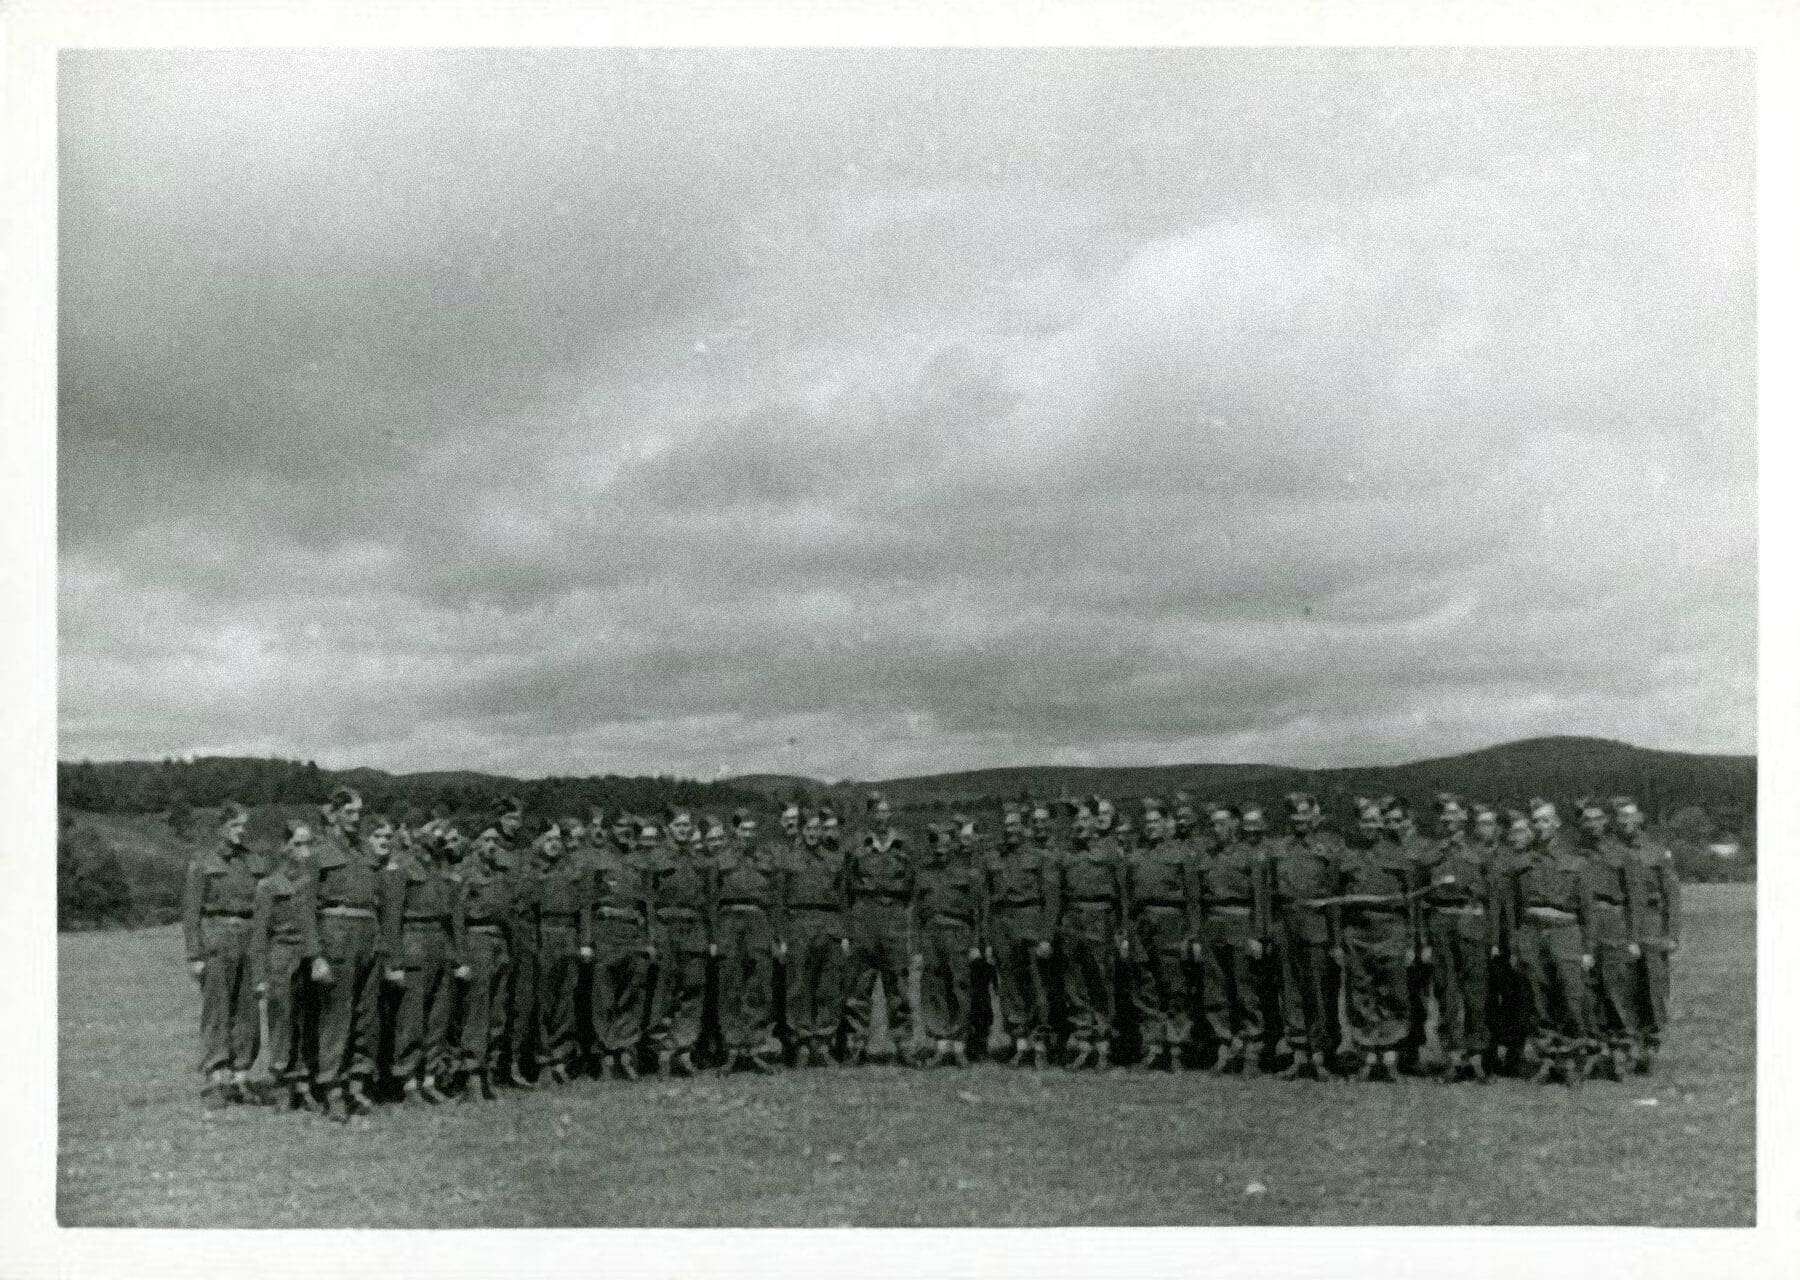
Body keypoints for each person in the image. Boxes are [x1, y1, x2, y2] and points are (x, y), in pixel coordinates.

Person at [181, 802, 266, 1106]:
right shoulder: (203, 863)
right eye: (235, 826)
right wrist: (194, 955)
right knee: (217, 1010)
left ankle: (241, 1076)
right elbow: (191, 914)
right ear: (221, 827)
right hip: (216, 939)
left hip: (249, 938)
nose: (241, 831)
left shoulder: (254, 864)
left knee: (247, 1011)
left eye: (244, 825)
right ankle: (216, 1077)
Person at [1506, 799, 1595, 1086]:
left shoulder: (1575, 862)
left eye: (1545, 821)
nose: (1540, 827)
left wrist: (1588, 949)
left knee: (1570, 996)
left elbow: (1587, 911)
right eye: (1535, 822)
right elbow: (1514, 909)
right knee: (1538, 996)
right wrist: (1517, 944)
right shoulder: (1523, 864)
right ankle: (1547, 1059)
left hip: (1565, 932)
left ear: (1556, 824)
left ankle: (1570, 1060)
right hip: (1532, 933)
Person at [310, 789, 385, 1120]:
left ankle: (357, 1082)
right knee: (336, 1015)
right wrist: (316, 955)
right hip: (336, 933)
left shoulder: (366, 852)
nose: (357, 818)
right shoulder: (318, 852)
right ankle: (332, 1088)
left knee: (366, 1014)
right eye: (351, 812)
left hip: (368, 934)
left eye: (360, 812)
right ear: (334, 814)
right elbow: (305, 906)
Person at [1415, 794, 1501, 1081]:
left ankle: (1476, 1056)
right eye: (1443, 815)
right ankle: (1453, 1056)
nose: (1448, 819)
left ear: (1465, 816)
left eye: (1453, 813)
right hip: (1440, 925)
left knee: (1477, 994)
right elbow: (1421, 899)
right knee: (1446, 993)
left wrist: (1493, 938)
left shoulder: (1481, 851)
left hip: (1472, 923)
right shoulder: (1430, 853)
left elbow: (1494, 899)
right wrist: (1425, 941)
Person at [381, 819, 466, 1105]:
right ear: (420, 837)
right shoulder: (401, 868)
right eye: (435, 836)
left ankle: (430, 1078)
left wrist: (457, 957)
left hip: (440, 945)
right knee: (411, 1019)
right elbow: (392, 918)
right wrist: (393, 962)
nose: (439, 842)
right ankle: (407, 1082)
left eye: (443, 839)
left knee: (438, 1018)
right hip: (412, 941)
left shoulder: (443, 870)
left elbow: (452, 919)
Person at [1335, 797, 1416, 1082]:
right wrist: (1338, 940)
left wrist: (1411, 942)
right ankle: (1368, 1056)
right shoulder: (1347, 856)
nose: (1370, 826)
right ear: (1358, 823)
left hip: (1391, 930)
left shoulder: (1398, 854)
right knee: (1361, 993)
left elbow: (1411, 904)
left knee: (1392, 993)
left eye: (1374, 820)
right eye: (1365, 821)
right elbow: (1338, 902)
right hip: (1357, 934)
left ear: (1382, 823)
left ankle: (1390, 1057)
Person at [1266, 792, 1342, 1080]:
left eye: (1305, 815)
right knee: (1290, 990)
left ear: (1314, 817)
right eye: (1295, 816)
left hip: (1316, 925)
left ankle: (1320, 1053)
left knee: (1318, 991)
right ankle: (1298, 1053)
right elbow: (1269, 894)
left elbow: (1334, 897)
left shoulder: (1327, 850)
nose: (1300, 821)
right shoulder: (1279, 850)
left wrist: (1335, 941)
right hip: (1286, 925)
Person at [1196, 801, 1271, 1075]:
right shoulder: (1206, 856)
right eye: (1213, 824)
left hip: (1242, 925)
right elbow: (1198, 899)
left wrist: (1258, 935)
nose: (1217, 829)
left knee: (1245, 989)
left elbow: (1261, 899)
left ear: (1235, 825)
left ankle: (1252, 1048)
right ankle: (1224, 1046)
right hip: (1213, 926)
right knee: (1216, 989)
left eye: (1222, 823)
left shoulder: (1251, 856)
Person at [250, 819, 320, 1111]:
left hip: (309, 956)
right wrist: (259, 978)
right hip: (281, 956)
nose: (304, 851)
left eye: (309, 844)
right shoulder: (269, 886)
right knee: (282, 1021)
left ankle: (303, 1083)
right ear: (285, 848)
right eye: (298, 844)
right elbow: (259, 935)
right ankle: (281, 1083)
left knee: (308, 1020)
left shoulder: (315, 883)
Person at [1125, 797, 1198, 1071]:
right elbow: (1128, 898)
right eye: (1147, 823)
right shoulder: (1137, 855)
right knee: (1146, 987)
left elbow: (1193, 899)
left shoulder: (1182, 855)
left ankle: (1177, 1048)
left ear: (1168, 825)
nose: (1151, 827)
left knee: (1175, 987)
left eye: (1156, 822)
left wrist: (1191, 934)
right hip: (1142, 924)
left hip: (1172, 923)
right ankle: (1153, 1046)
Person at [983, 799, 1058, 1068]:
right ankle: (1020, 1043)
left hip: (1031, 921)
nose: (1009, 830)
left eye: (1014, 825)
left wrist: (1046, 936)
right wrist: (989, 938)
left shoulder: (1041, 857)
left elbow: (1051, 899)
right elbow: (989, 901)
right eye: (1005, 826)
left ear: (1023, 827)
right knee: (1010, 987)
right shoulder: (995, 858)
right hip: (1003, 924)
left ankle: (1040, 1043)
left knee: (1037, 985)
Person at [1573, 798, 1642, 1080]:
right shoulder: (1575, 854)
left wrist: (1634, 938)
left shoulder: (1622, 854)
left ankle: (1622, 1050)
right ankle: (1595, 1050)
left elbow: (1635, 899)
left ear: (1607, 821)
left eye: (1598, 819)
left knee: (1616, 989)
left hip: (1613, 923)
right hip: (1582, 926)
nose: (1593, 825)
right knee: (1588, 991)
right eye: (1587, 820)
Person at [844, 794, 915, 1064]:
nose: (882, 817)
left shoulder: (904, 847)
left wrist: (897, 912)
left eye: (886, 811)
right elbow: (847, 889)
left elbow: (911, 887)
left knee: (898, 985)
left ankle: (903, 1044)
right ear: (870, 815)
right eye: (877, 812)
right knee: (860, 985)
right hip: (864, 918)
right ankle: (856, 1044)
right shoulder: (858, 848)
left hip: (894, 919)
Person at [1056, 797, 1125, 1069]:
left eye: (1084, 819)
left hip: (1101, 920)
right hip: (1072, 922)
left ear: (1096, 822)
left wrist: (1122, 931)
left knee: (1101, 982)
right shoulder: (1067, 855)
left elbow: (1123, 896)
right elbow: (1058, 894)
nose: (1079, 824)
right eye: (1076, 820)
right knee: (1075, 985)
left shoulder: (1111, 852)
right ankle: (1083, 1041)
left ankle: (1103, 1044)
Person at [1613, 795, 1679, 1073]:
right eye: (1621, 817)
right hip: (1620, 924)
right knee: (1623, 987)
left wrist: (1672, 934)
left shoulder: (1655, 852)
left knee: (1652, 987)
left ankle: (1649, 1047)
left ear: (1639, 819)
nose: (1626, 822)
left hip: (1651, 925)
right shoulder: (1611, 851)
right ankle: (1628, 1045)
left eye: (1631, 816)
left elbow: (1672, 895)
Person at [645, 808, 713, 1077]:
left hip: (694, 928)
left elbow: (709, 901)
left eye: (687, 825)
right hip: (665, 928)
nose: (684, 830)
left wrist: (710, 937)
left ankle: (684, 1050)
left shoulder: (700, 859)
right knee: (665, 992)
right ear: (668, 829)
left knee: (693, 989)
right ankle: (662, 1051)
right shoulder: (655, 858)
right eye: (679, 825)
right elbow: (648, 901)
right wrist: (651, 936)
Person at [713, 808, 782, 1072]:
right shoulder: (720, 860)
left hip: (759, 922)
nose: (749, 835)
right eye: (744, 830)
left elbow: (775, 900)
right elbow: (711, 899)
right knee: (730, 984)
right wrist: (714, 936)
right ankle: (732, 1048)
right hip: (729, 922)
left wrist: (777, 935)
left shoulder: (766, 859)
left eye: (753, 830)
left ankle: (754, 1047)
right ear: (734, 831)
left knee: (758, 984)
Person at [779, 807, 849, 1066]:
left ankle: (823, 1043)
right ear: (801, 830)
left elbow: (843, 900)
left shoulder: (835, 859)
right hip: (798, 925)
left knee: (827, 987)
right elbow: (780, 899)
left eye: (817, 829)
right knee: (799, 987)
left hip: (829, 926)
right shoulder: (789, 858)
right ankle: (802, 1044)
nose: (812, 834)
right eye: (808, 829)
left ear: (822, 831)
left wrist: (843, 933)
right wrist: (782, 936)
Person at [915, 817, 986, 1067]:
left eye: (945, 843)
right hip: (931, 934)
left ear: (953, 844)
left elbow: (979, 912)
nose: (940, 849)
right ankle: (940, 1043)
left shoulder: (969, 873)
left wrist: (976, 944)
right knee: (935, 988)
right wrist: (916, 947)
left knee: (960, 987)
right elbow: (916, 912)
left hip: (959, 934)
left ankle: (959, 1044)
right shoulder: (924, 871)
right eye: (935, 844)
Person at [589, 814, 656, 1080]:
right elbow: (587, 903)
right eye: (619, 827)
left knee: (632, 994)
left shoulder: (641, 861)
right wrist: (588, 940)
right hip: (606, 932)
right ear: (609, 829)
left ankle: (626, 1052)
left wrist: (650, 940)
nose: (625, 832)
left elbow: (648, 904)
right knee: (604, 996)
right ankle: (607, 1054)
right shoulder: (598, 860)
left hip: (633, 932)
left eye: (629, 828)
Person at [455, 827, 515, 1100]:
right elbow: (457, 913)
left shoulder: (501, 874)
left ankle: (489, 1071)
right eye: (487, 840)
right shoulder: (466, 872)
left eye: (496, 841)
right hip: (476, 939)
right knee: (477, 1009)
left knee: (497, 1010)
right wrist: (462, 955)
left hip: (499, 941)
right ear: (476, 843)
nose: (492, 845)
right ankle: (472, 1075)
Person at [532, 824, 591, 1084]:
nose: (555, 844)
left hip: (569, 935)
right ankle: (543, 1061)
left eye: (558, 839)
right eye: (549, 839)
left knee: (566, 1000)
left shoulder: (573, 871)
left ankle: (560, 1060)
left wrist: (585, 942)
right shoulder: (532, 871)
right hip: (544, 934)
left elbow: (585, 909)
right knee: (543, 1000)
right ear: (539, 842)